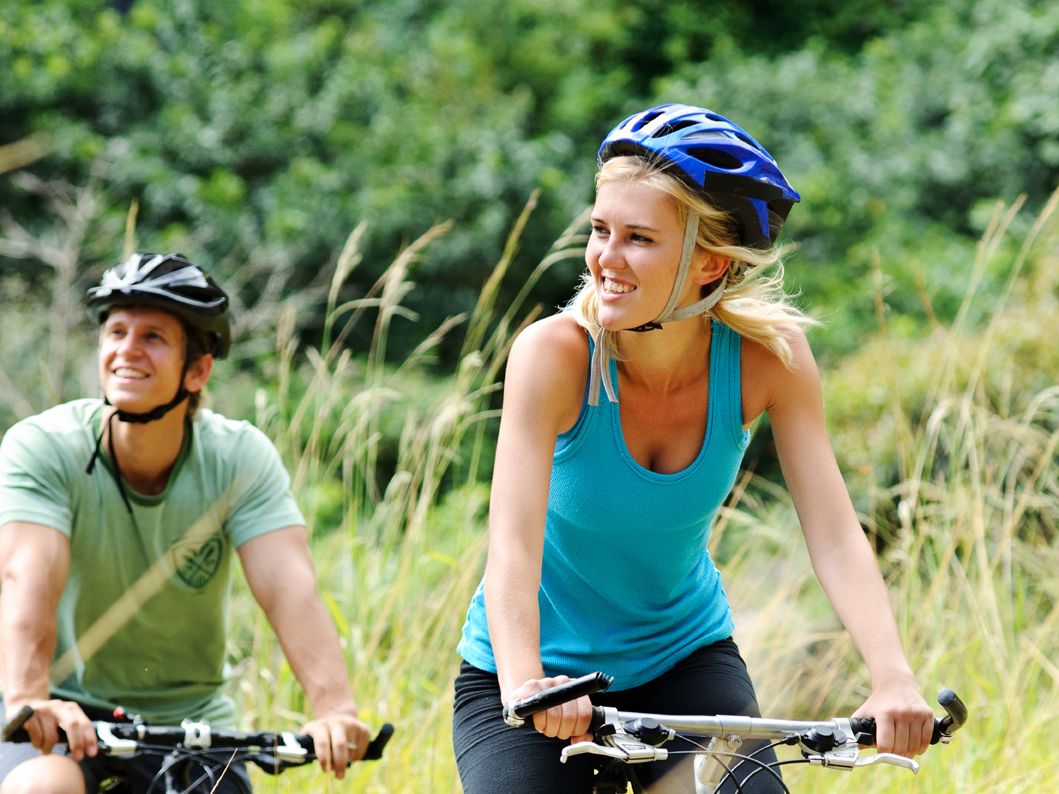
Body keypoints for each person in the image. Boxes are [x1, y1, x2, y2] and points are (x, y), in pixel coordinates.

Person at [452, 104, 935, 793]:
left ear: (708, 262)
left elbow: (831, 531)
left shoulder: (771, 359)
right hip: (533, 671)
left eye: (637, 239)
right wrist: (528, 679)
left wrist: (891, 678)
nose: (604, 259)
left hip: (683, 662)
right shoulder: (554, 355)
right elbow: (512, 546)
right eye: (599, 230)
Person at [0, 253, 372, 793]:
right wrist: (30, 697)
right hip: (60, 710)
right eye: (117, 331)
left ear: (197, 370)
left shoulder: (238, 458)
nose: (127, 349)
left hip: (190, 725)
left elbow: (291, 588)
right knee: (43, 786)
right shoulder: (45, 446)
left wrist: (335, 709)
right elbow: (27, 575)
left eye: (152, 337)